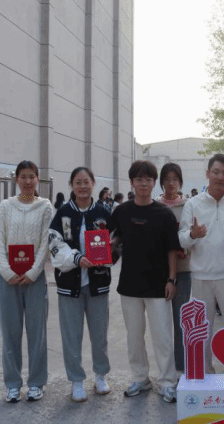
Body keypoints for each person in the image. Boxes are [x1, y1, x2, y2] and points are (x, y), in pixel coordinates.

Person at [109, 160, 179, 402]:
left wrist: (171, 279)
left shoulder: (164, 214)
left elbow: (172, 250)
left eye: (148, 179)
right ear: (131, 182)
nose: (143, 183)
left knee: (163, 337)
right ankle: (140, 378)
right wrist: (110, 244)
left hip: (159, 286)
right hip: (129, 285)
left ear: (154, 183)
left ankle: (167, 381)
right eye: (139, 179)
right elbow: (113, 237)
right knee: (134, 337)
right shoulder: (121, 212)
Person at [179, 154, 224, 373]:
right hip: (201, 278)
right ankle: (204, 374)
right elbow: (182, 239)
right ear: (207, 174)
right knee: (201, 331)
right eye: (216, 172)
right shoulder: (193, 204)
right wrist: (192, 234)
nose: (220, 177)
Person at [48, 167, 113, 402]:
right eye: (78, 182)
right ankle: (76, 380)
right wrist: (76, 258)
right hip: (70, 285)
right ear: (71, 185)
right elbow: (55, 244)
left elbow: (115, 242)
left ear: (93, 183)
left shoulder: (103, 212)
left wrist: (108, 255)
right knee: (71, 336)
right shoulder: (63, 213)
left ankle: (100, 376)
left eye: (86, 182)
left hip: (98, 283)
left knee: (99, 334)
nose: (83, 186)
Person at [0, 160, 53, 403]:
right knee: (10, 333)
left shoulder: (45, 207)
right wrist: (7, 272)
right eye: (23, 176)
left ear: (38, 179)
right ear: (16, 179)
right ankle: (13, 384)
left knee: (37, 333)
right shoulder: (6, 206)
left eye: (32, 177)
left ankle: (36, 383)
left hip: (34, 279)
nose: (28, 181)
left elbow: (45, 242)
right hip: (7, 280)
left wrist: (34, 272)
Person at [156, 162, 192, 372]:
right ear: (161, 182)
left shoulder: (189, 206)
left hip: (184, 270)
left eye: (175, 179)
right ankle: (165, 369)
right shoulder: (155, 205)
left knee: (181, 320)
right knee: (161, 323)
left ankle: (181, 367)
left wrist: (186, 247)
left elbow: (194, 234)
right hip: (159, 271)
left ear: (180, 182)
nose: (171, 183)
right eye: (167, 179)